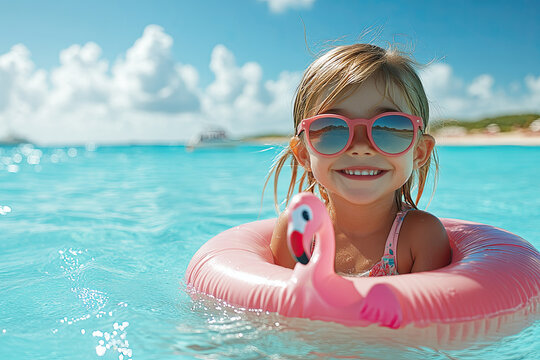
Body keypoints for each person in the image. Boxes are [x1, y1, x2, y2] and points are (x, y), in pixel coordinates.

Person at [267, 43, 451, 276]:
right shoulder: (299, 231)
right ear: (303, 153)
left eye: (389, 127)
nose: (361, 148)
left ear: (419, 152)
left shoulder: (421, 237)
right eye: (332, 129)